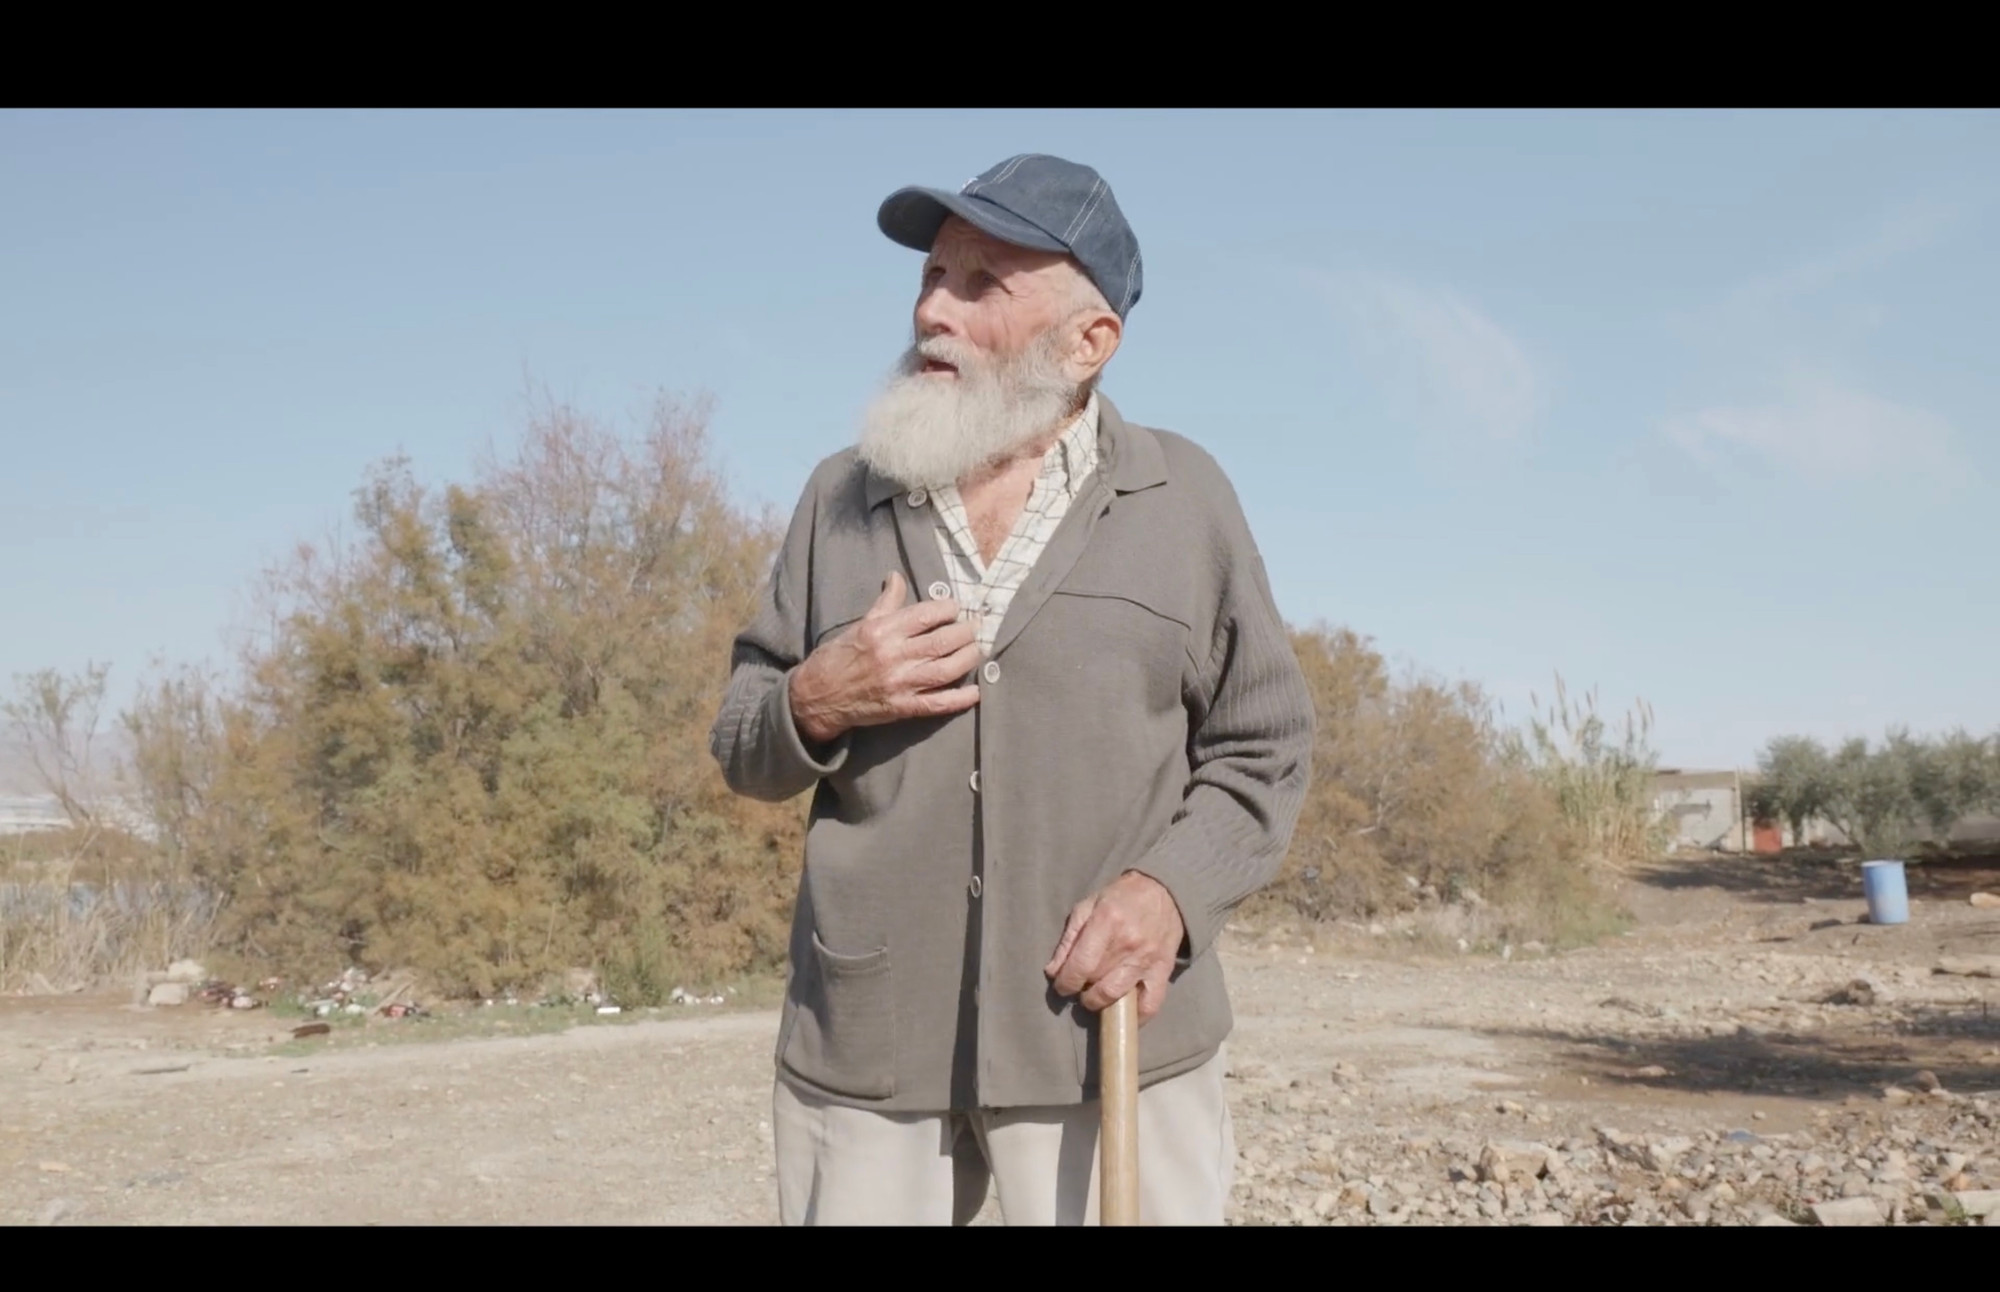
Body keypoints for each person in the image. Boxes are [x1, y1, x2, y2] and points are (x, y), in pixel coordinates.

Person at [709, 153, 1313, 1225]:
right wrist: (814, 696)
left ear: (1088, 342)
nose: (930, 304)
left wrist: (1168, 892)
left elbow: (1262, 746)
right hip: (869, 1047)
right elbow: (741, 739)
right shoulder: (839, 496)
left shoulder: (1185, 499)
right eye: (932, 271)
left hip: (1106, 1037)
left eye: (980, 280)